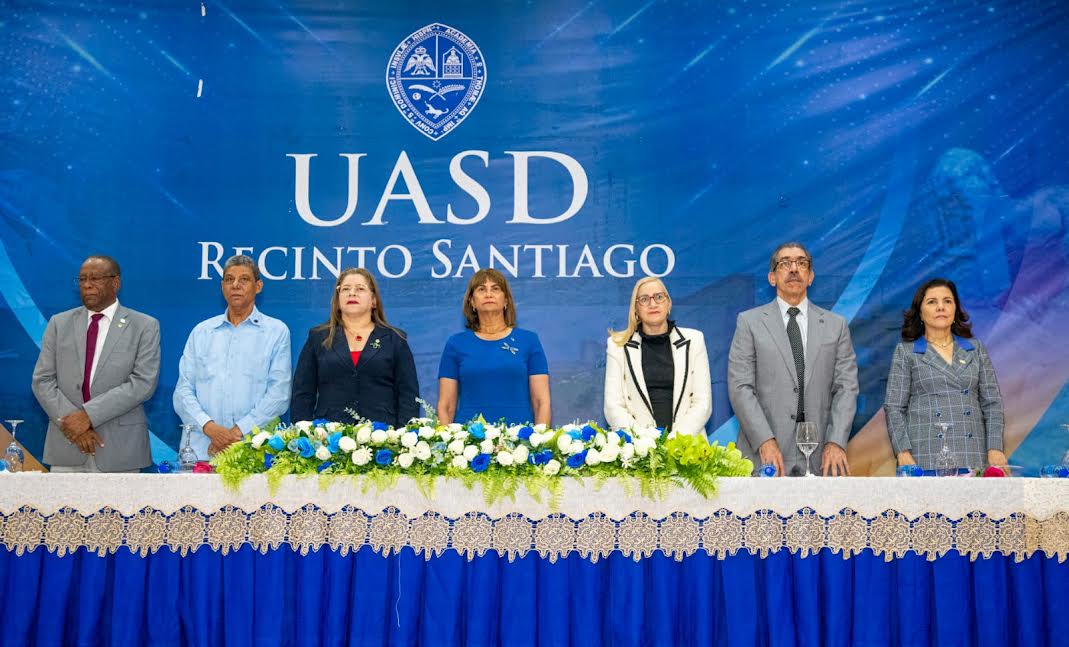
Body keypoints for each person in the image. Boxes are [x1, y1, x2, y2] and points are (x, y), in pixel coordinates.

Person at [728, 242, 858, 476]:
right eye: (785, 263)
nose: (794, 268)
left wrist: (836, 441)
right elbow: (740, 387)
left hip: (821, 457)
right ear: (772, 277)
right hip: (765, 455)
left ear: (810, 277)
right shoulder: (749, 323)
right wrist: (764, 440)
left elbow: (847, 388)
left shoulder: (836, 326)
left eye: (801, 263)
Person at [31, 255, 160, 472]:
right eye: (82, 279)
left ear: (115, 283)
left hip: (120, 452)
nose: (87, 285)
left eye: (95, 278)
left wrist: (88, 416)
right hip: (67, 444)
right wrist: (76, 425)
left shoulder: (144, 326)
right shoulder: (59, 323)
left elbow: (142, 384)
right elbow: (42, 380)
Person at [173, 255, 291, 459]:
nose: (235, 285)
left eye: (244, 279)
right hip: (202, 449)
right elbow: (183, 392)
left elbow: (278, 395)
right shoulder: (201, 332)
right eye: (229, 279)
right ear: (222, 287)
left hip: (253, 450)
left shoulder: (276, 331)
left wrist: (234, 434)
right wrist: (210, 429)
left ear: (258, 286)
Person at [884, 278, 1007, 472]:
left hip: (973, 455)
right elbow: (894, 407)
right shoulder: (906, 352)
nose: (941, 307)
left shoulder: (975, 349)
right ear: (920, 313)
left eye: (947, 301)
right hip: (924, 457)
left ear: (955, 309)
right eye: (932, 302)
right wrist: (902, 451)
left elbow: (992, 403)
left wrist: (995, 447)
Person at [291, 268, 418, 426]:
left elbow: (408, 396)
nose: (352, 293)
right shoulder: (318, 338)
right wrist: (303, 435)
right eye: (345, 289)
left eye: (360, 288)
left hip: (383, 439)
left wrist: (403, 438)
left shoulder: (395, 339)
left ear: (373, 300)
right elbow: (303, 394)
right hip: (328, 440)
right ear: (337, 301)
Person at [437, 269, 551, 426]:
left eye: (495, 289)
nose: (488, 294)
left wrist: (540, 443)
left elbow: (541, 402)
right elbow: (446, 406)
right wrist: (446, 445)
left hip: (521, 442)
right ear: (472, 301)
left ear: (506, 301)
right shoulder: (455, 344)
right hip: (467, 443)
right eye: (481, 289)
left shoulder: (529, 341)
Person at [603, 277, 712, 434]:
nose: (653, 304)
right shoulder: (617, 346)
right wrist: (646, 444)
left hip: (687, 447)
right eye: (644, 299)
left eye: (659, 297)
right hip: (638, 450)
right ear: (636, 309)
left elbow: (703, 403)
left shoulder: (694, 340)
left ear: (669, 304)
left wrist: (675, 441)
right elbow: (613, 406)